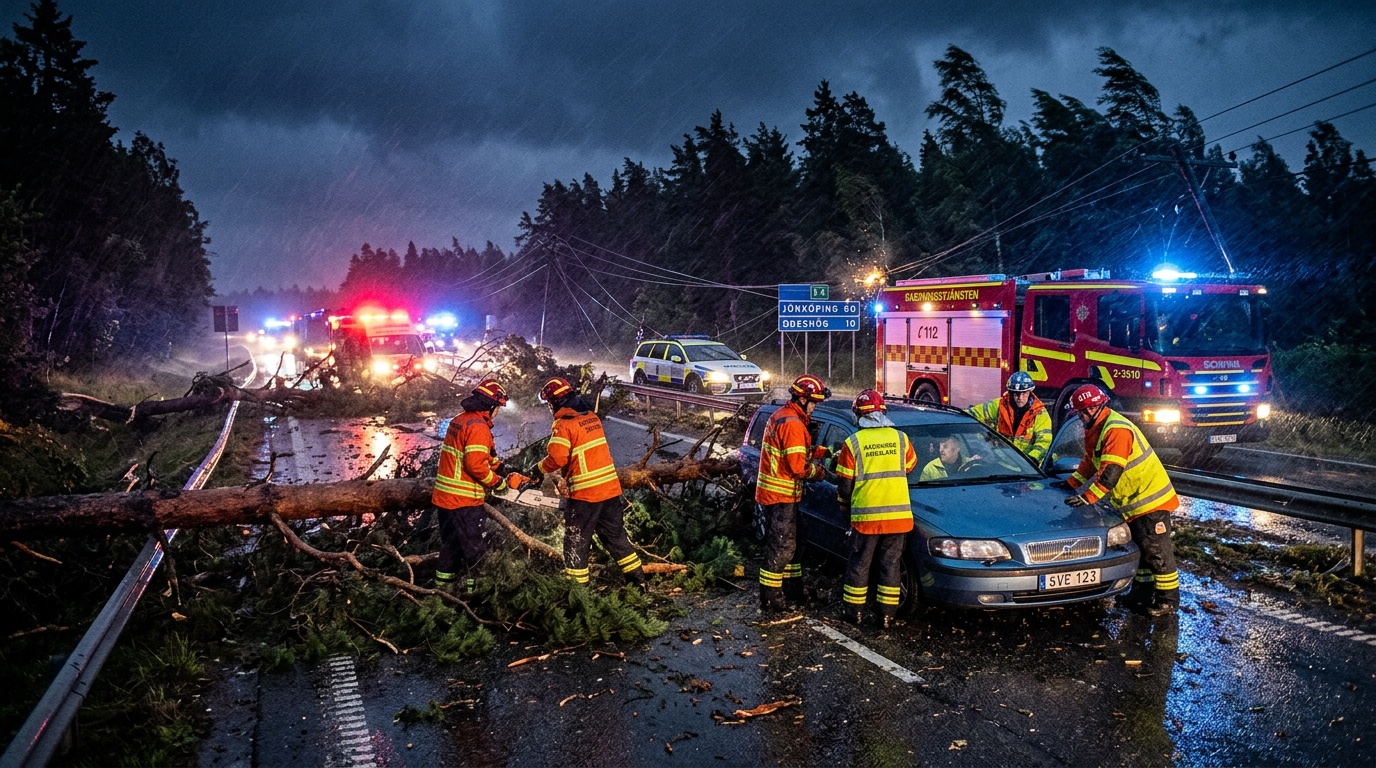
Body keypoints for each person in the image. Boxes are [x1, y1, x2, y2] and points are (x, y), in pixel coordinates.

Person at [1061, 384, 1181, 616]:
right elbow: (1090, 462)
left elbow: (1111, 472)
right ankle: (1141, 594)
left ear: (1097, 407)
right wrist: (1071, 484)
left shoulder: (1116, 429)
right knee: (1143, 552)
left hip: (1150, 501)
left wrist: (1087, 497)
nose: (1081, 416)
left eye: (1084, 412)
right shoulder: (1097, 427)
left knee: (1157, 552)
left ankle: (1168, 600)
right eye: (1079, 413)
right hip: (1134, 504)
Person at [535, 377, 646, 590]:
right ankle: (639, 583)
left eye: (550, 403)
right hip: (611, 491)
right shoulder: (592, 418)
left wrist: (538, 469)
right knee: (616, 538)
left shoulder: (564, 424)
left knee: (576, 543)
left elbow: (557, 459)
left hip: (586, 496)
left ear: (555, 402)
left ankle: (579, 594)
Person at [431, 378, 527, 595]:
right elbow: (475, 464)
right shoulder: (478, 427)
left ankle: (442, 593)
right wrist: (499, 483)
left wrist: (503, 468)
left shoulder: (462, 420)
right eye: (498, 408)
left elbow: (485, 456)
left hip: (445, 499)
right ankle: (479, 594)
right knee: (477, 550)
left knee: (451, 546)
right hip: (464, 500)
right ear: (491, 406)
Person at [834, 390, 918, 629]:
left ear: (859, 415)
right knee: (890, 565)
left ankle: (854, 614)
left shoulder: (853, 443)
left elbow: (844, 482)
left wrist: (843, 502)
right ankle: (887, 617)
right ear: (882, 412)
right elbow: (910, 465)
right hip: (898, 518)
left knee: (860, 564)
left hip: (866, 518)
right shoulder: (900, 438)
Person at [755, 373, 831, 612]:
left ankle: (793, 589)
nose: (815, 407)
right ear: (802, 399)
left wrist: (824, 453)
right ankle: (771, 598)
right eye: (814, 402)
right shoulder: (792, 423)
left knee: (795, 544)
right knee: (782, 547)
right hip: (781, 496)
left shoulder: (788, 418)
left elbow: (799, 450)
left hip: (782, 495)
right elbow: (798, 466)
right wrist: (819, 473)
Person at [967, 371, 1053, 463]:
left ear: (1029, 392)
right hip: (1001, 463)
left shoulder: (1039, 413)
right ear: (1011, 393)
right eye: (1016, 394)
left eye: (1024, 393)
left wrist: (1032, 459)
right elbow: (973, 413)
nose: (1020, 397)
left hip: (1027, 468)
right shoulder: (999, 406)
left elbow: (1044, 441)